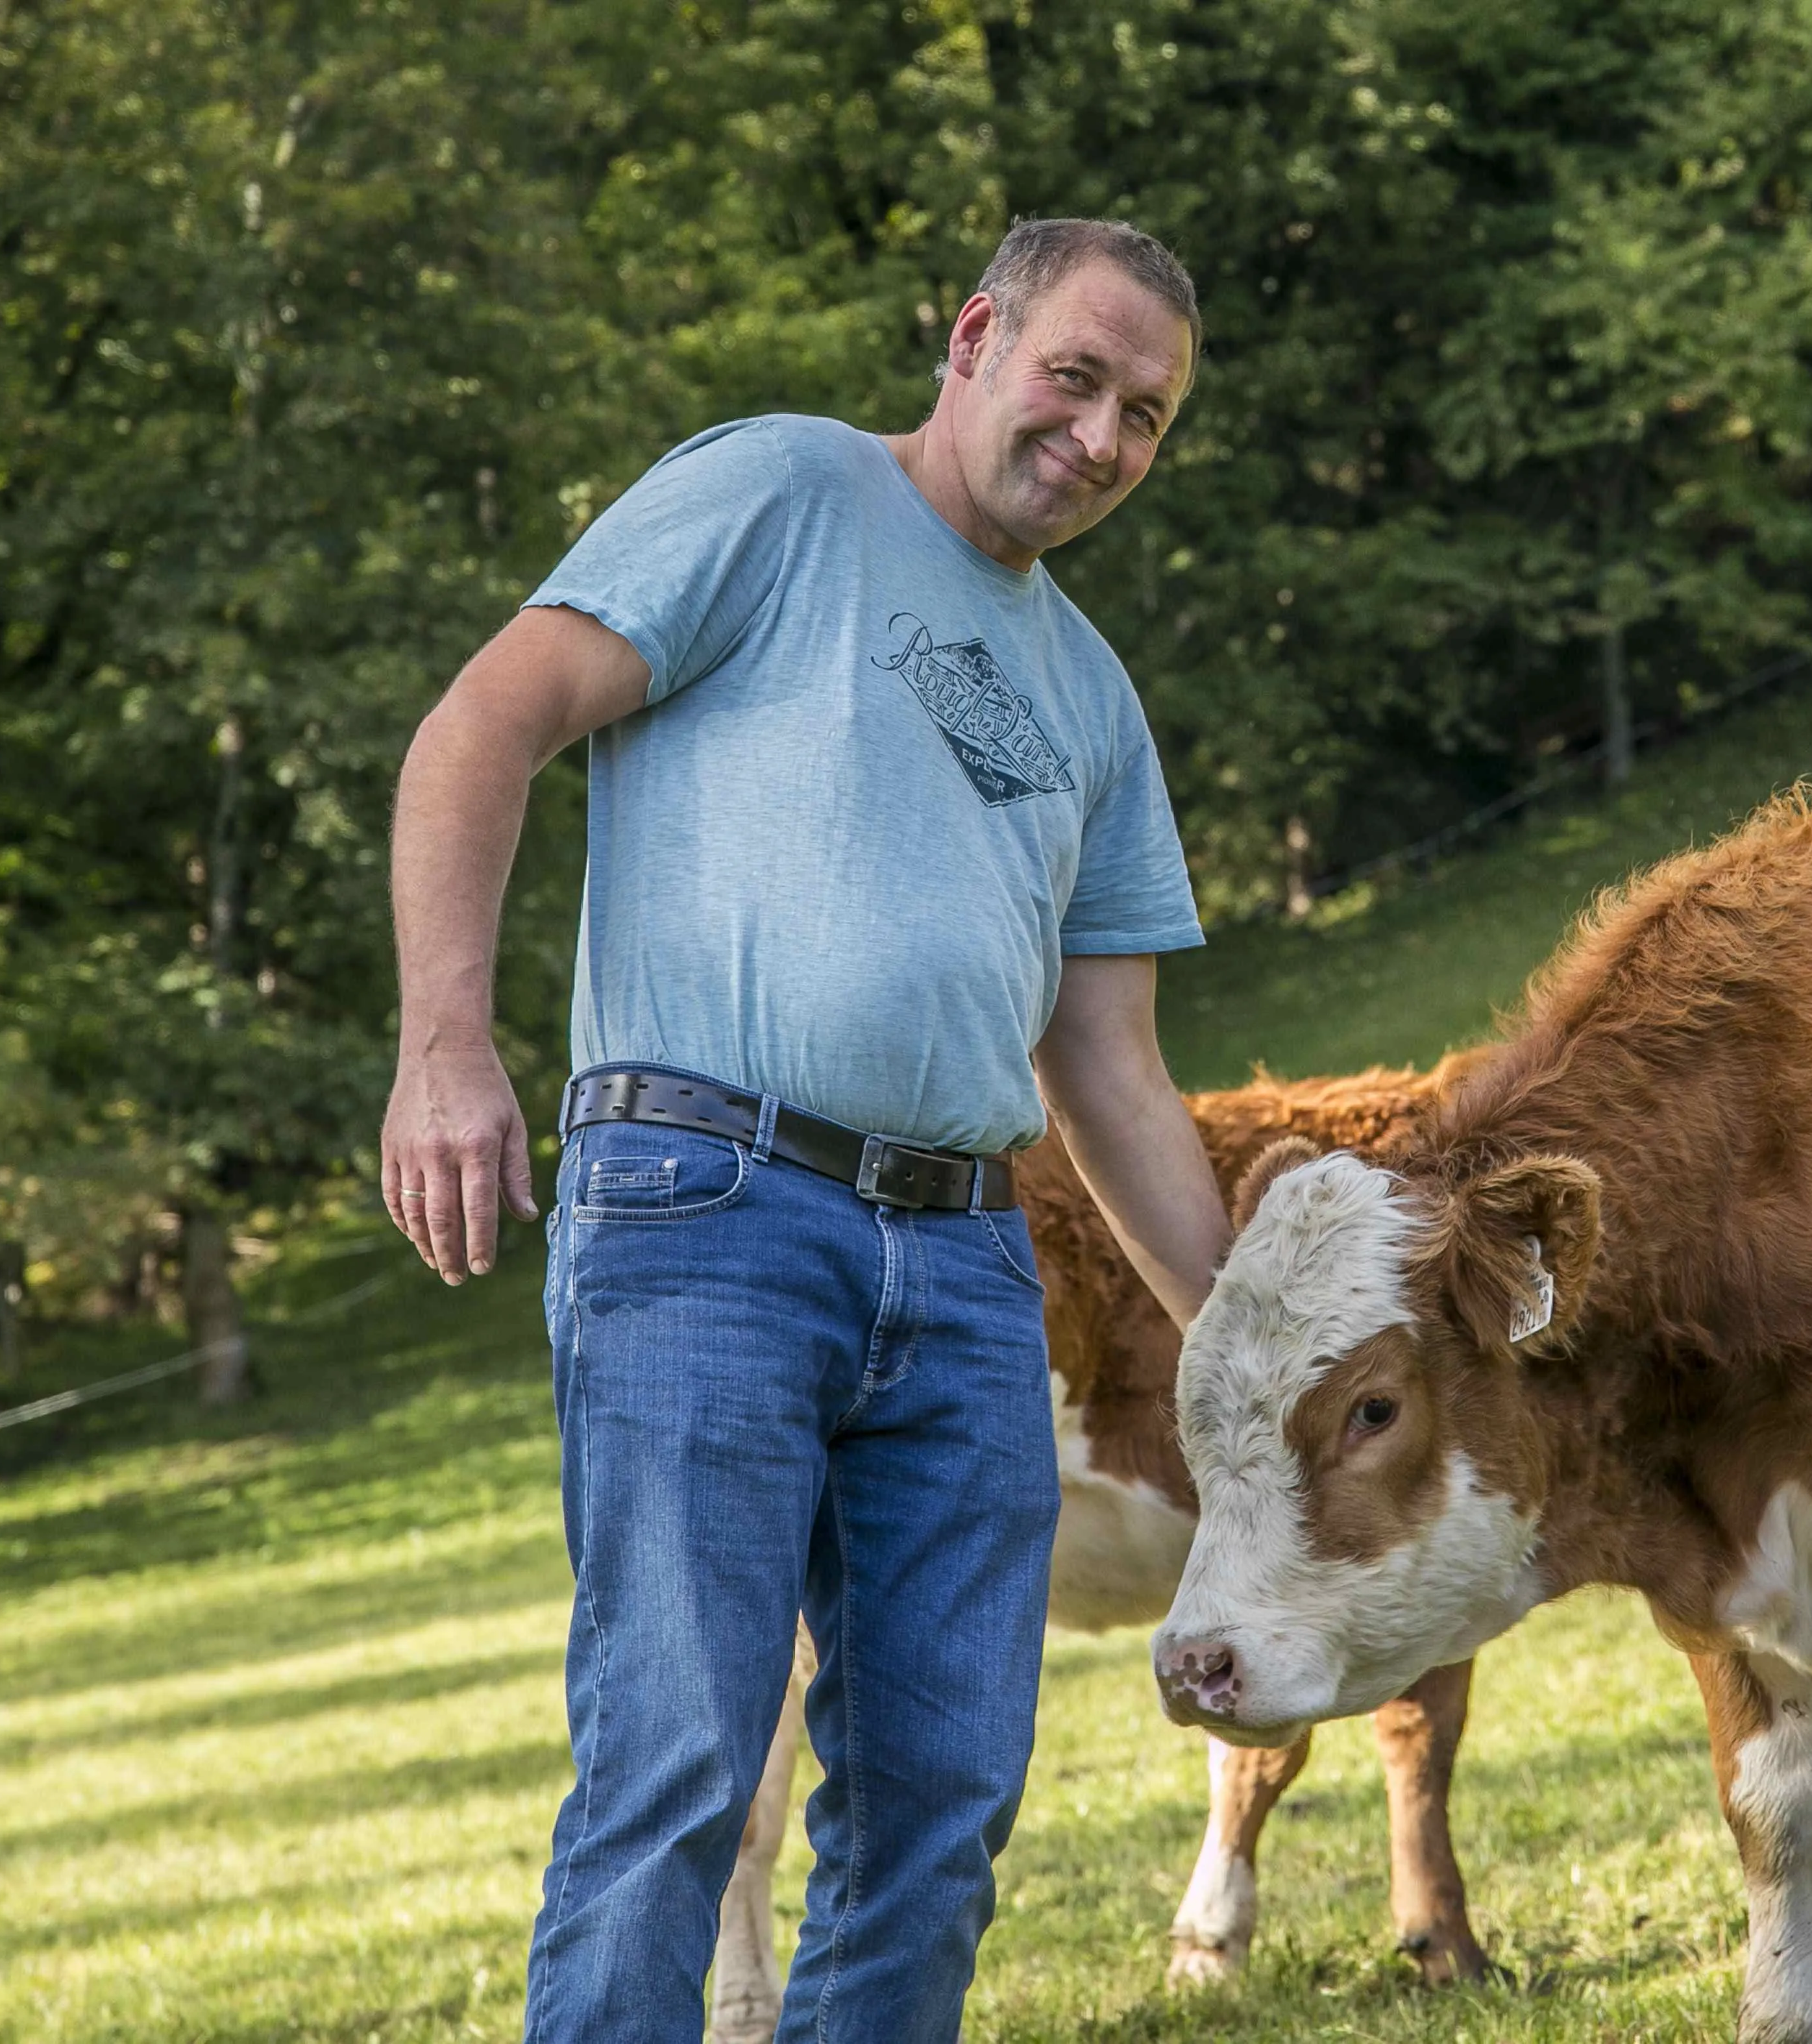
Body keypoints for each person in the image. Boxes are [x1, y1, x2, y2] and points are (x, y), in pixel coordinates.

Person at [378, 218, 1230, 2044]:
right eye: (1074, 377)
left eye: (1144, 418)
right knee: (676, 1765)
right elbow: (482, 723)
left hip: (965, 1253)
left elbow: (1114, 1068)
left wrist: (1247, 1343)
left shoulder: (1089, 694)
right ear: (974, 335)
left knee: (941, 1797)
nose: (1097, 437)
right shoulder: (778, 490)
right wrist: (444, 1042)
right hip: (705, 1203)